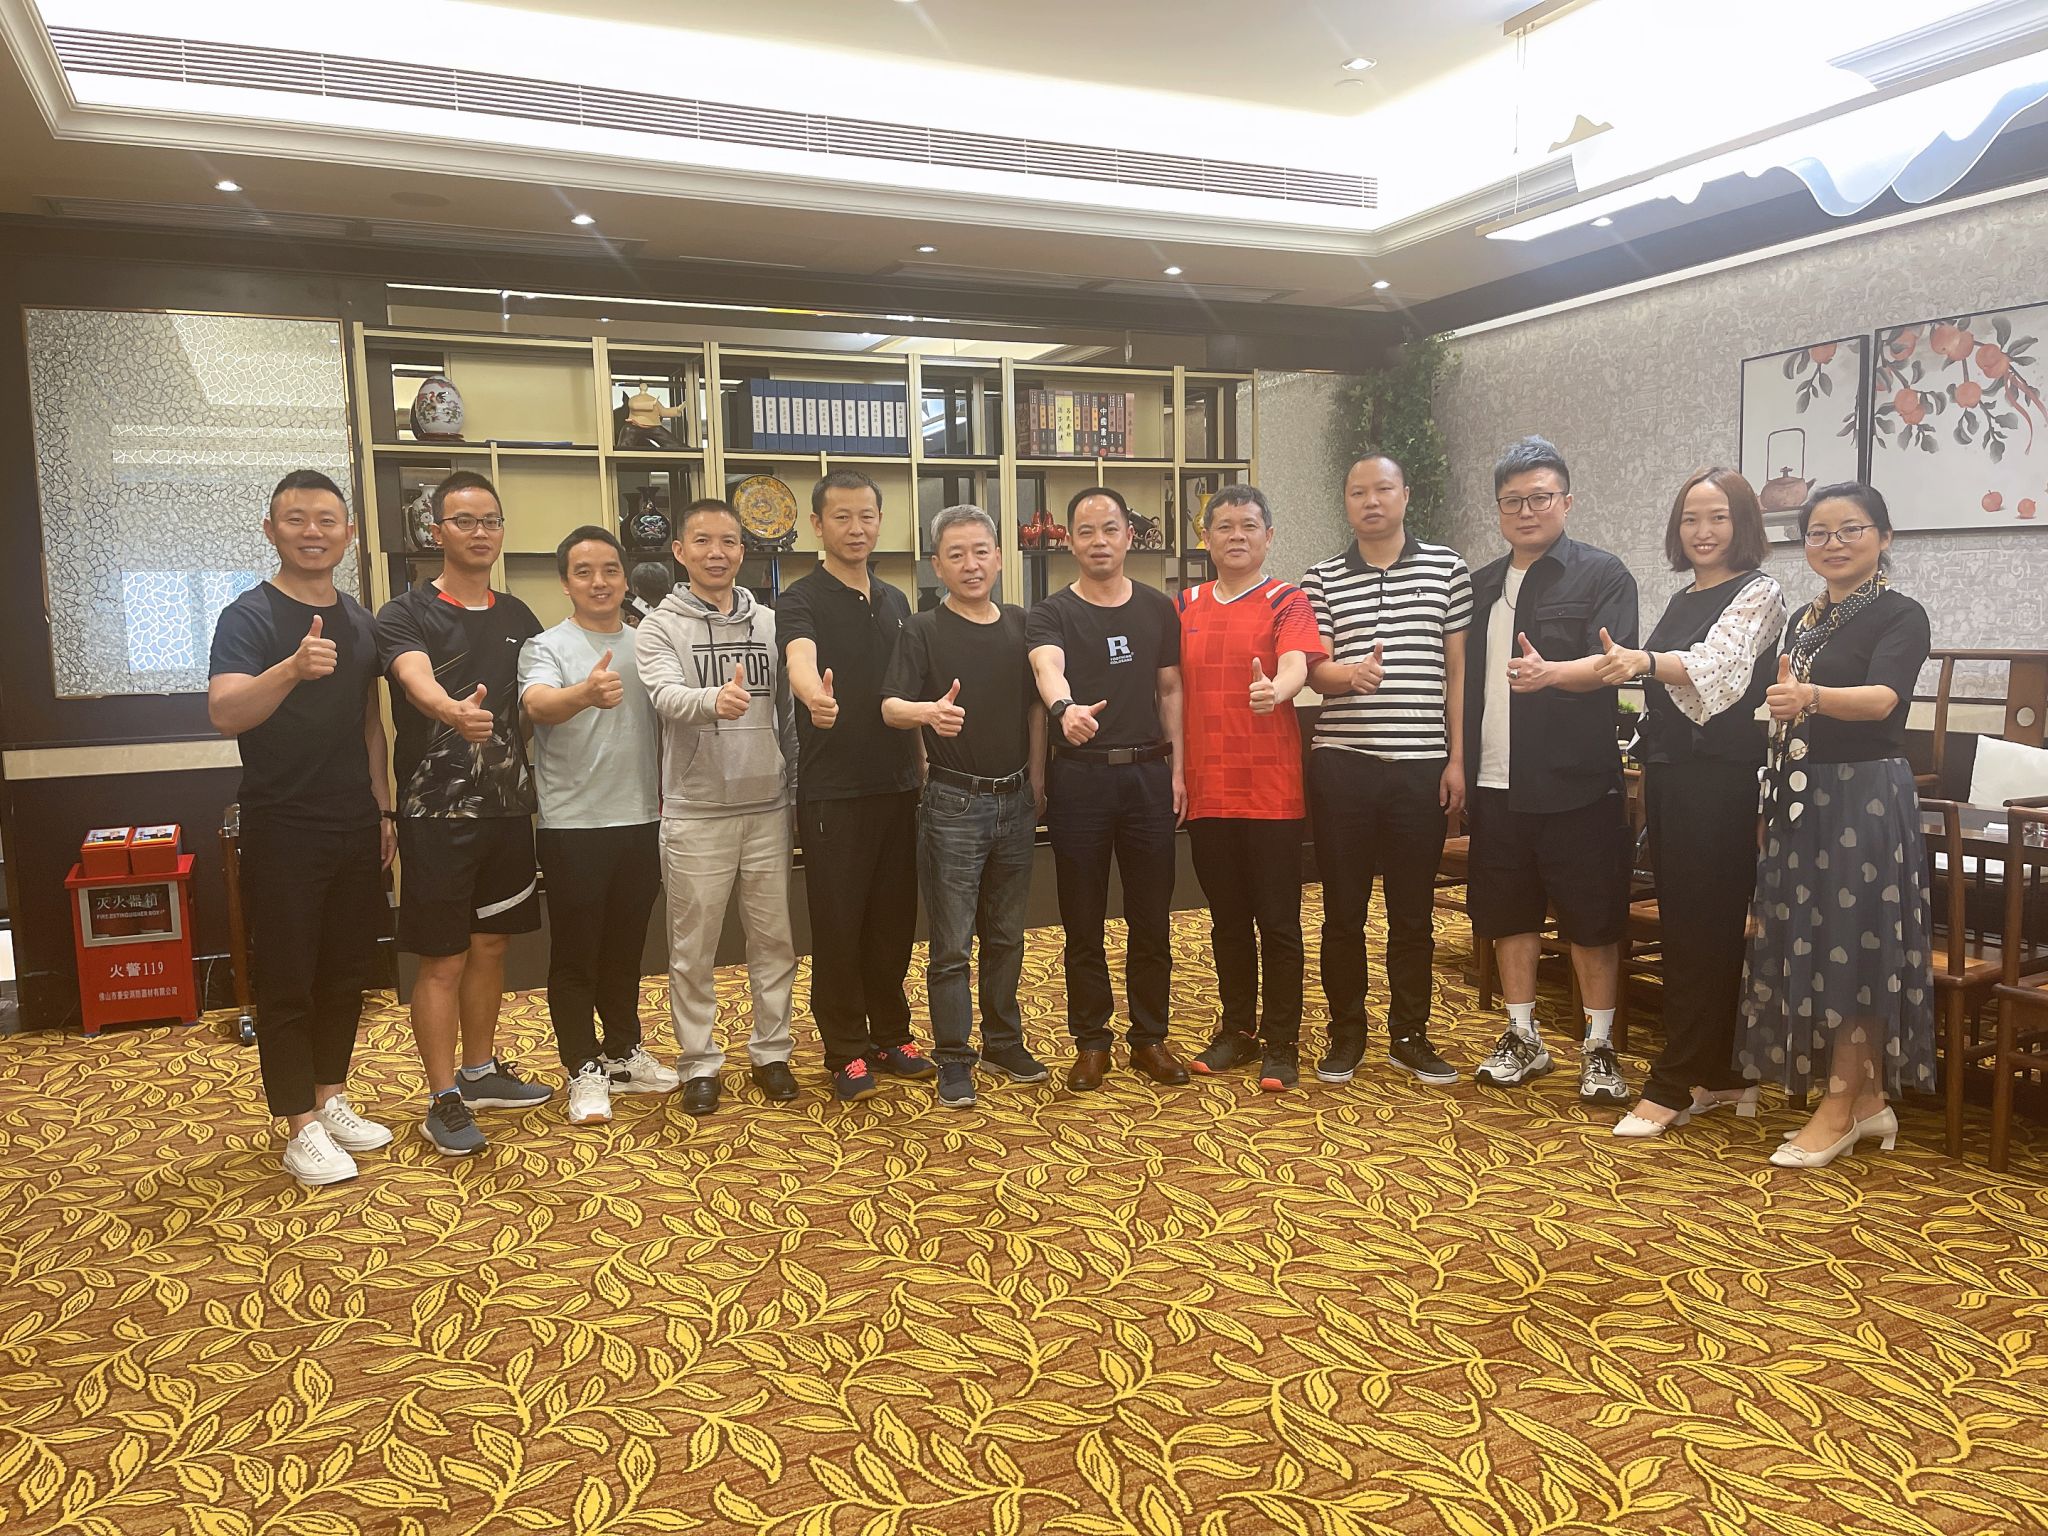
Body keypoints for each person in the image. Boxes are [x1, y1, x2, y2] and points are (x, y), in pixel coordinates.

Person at [207, 470, 395, 1187]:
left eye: (326, 520)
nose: (312, 532)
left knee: (346, 971)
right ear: (271, 530)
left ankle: (329, 1097)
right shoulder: (248, 616)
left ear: (349, 533)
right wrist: (289, 669)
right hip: (282, 823)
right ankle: (298, 1125)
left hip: (354, 819)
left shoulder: (360, 621)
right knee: (288, 978)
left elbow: (369, 724)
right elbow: (225, 712)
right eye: (295, 519)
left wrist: (383, 809)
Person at [1739, 482, 1934, 1168]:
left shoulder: (1900, 614)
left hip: (1864, 797)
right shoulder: (1802, 619)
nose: (1833, 543)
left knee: (1857, 953)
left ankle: (1840, 1106)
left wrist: (1811, 697)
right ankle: (1871, 1100)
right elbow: (1778, 713)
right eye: (1818, 533)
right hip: (1801, 795)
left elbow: (1884, 700)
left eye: (1851, 529)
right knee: (1819, 948)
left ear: (1884, 538)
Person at [1595, 470, 1784, 1138]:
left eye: (1718, 517)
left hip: (1721, 779)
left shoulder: (1760, 592)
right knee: (1689, 924)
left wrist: (1643, 662)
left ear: (1743, 524)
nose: (1703, 531)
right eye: (1690, 519)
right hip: (1673, 773)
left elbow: (1718, 672)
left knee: (1702, 928)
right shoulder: (1684, 596)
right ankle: (1725, 1074)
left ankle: (1674, 1083)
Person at [378, 471, 551, 1156]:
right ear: (436, 531)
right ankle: (442, 1097)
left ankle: (479, 1073)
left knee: (491, 946)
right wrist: (451, 710)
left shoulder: (518, 617)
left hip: (507, 810)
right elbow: (413, 677)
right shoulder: (407, 612)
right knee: (443, 959)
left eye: (491, 521)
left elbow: (534, 702)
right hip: (436, 814)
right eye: (465, 521)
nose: (481, 533)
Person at [1463, 436, 1639, 1105]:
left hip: (1576, 783)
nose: (1526, 511)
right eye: (1512, 501)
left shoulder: (1602, 574)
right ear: (1499, 510)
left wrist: (1552, 674)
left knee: (1592, 920)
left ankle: (1600, 1045)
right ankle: (1522, 1036)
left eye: (1540, 498)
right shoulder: (1480, 585)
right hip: (1495, 781)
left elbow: (1615, 663)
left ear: (1567, 501)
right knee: (1509, 915)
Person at [1300, 455, 1471, 1089]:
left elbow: (1457, 673)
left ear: (1406, 495)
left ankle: (1410, 1035)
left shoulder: (1447, 569)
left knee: (1413, 912)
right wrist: (1350, 676)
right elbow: (1314, 671)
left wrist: (1456, 758)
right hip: (1342, 765)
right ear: (1345, 502)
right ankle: (1346, 1033)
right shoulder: (1320, 578)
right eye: (1357, 492)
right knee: (1342, 910)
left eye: (1383, 490)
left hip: (1420, 767)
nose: (1371, 501)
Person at [636, 498, 801, 1117]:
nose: (717, 553)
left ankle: (772, 1051)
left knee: (775, 941)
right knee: (692, 948)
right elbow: (663, 695)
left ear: (743, 550)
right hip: (695, 810)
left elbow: (787, 715)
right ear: (679, 551)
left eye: (728, 541)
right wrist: (712, 701)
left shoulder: (772, 624)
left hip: (767, 806)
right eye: (702, 541)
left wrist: (793, 789)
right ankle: (699, 1062)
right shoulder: (659, 627)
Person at [881, 504, 1050, 1108]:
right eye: (956, 555)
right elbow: (890, 707)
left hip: (1016, 800)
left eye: (981, 551)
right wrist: (928, 712)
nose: (971, 564)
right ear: (937, 566)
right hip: (953, 803)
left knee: (1007, 935)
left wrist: (1037, 779)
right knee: (952, 944)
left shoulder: (1023, 624)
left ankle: (1004, 1040)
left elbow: (1036, 707)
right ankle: (954, 1056)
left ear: (1000, 558)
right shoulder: (921, 629)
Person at [1027, 486, 1190, 1093]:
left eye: (1110, 529)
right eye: (1086, 531)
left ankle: (1149, 1037)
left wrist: (1178, 770)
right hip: (1081, 779)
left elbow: (1170, 691)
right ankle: (1091, 1040)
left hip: (1148, 776)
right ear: (1069, 541)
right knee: (1082, 917)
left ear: (1128, 536)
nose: (1099, 541)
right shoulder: (1051, 612)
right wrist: (1064, 708)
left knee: (1152, 916)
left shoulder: (1157, 608)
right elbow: (1047, 666)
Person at [778, 471, 934, 1101]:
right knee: (839, 922)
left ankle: (891, 1031)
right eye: (841, 517)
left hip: (897, 783)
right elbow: (799, 657)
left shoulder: (896, 601)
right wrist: (813, 696)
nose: (856, 528)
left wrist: (920, 757)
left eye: (867, 515)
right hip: (833, 789)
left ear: (880, 520)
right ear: (818, 525)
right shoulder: (801, 597)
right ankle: (844, 1046)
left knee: (893, 918)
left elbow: (908, 686)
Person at [518, 525, 676, 1127]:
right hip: (573, 824)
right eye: (583, 572)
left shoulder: (647, 642)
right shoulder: (546, 645)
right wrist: (583, 693)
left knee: (626, 947)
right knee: (576, 953)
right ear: (566, 582)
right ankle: (582, 1066)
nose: (599, 582)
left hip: (641, 817)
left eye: (610, 570)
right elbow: (536, 705)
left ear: (625, 577)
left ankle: (623, 1052)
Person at [1175, 486, 1325, 1091]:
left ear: (1269, 536)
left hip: (1271, 790)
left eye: (1249, 525)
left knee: (1279, 922)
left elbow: (1296, 664)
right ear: (1205, 537)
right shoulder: (1183, 605)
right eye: (1224, 526)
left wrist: (1277, 691)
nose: (1236, 535)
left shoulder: (1287, 599)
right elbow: (1168, 690)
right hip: (1207, 788)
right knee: (1227, 921)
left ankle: (1282, 1040)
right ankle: (1237, 1029)